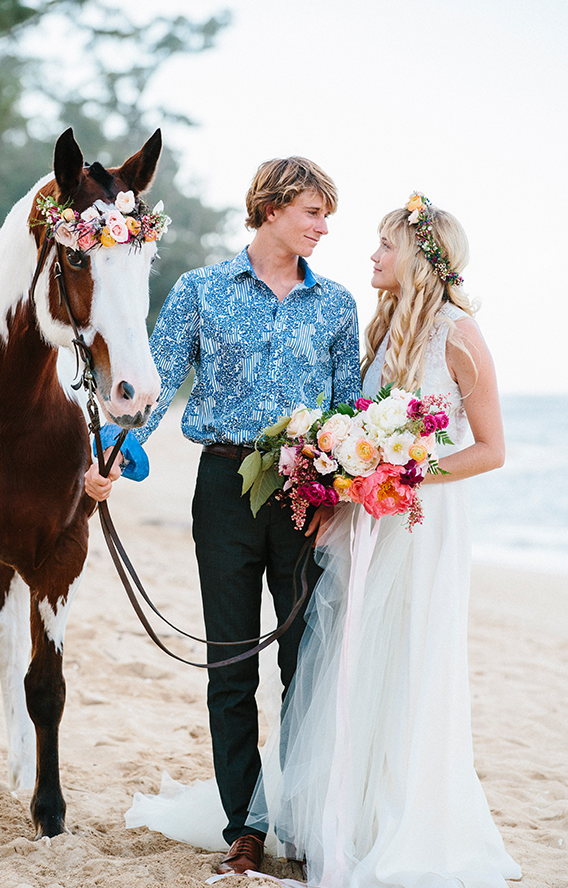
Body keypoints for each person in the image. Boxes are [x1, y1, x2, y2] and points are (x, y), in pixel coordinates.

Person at [85, 156, 361, 875]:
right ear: (270, 208)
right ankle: (246, 824)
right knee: (232, 662)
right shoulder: (199, 290)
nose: (323, 227)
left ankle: (301, 820)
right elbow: (157, 382)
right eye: (312, 212)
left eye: (326, 214)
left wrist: (339, 499)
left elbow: (349, 412)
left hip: (307, 497)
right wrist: (112, 458)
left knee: (307, 666)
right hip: (222, 489)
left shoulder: (336, 305)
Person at [247, 193, 522, 887]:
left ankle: (393, 822)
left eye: (384, 245)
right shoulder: (387, 328)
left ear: (421, 261)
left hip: (419, 526)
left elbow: (490, 450)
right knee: (349, 658)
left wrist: (403, 471)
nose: (372, 255)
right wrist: (338, 470)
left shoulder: (459, 333)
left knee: (405, 661)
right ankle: (343, 818)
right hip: (369, 520)